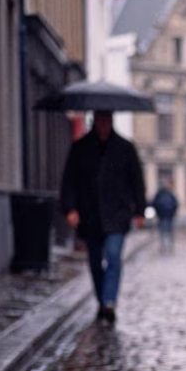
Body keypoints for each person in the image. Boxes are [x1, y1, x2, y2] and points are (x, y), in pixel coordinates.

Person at [60, 110, 145, 323]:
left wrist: (139, 210)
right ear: (95, 121)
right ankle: (101, 300)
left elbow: (137, 181)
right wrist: (70, 209)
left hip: (117, 214)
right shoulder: (80, 148)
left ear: (112, 121)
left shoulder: (125, 148)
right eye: (100, 120)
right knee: (95, 261)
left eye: (107, 120)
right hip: (90, 216)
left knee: (114, 256)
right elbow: (69, 181)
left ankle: (108, 301)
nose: (104, 124)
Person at [152, 179, 179, 254]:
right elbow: (175, 204)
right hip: (163, 216)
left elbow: (175, 204)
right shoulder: (162, 194)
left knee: (166, 231)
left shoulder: (166, 194)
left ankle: (167, 246)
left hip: (166, 216)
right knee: (165, 231)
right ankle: (165, 246)